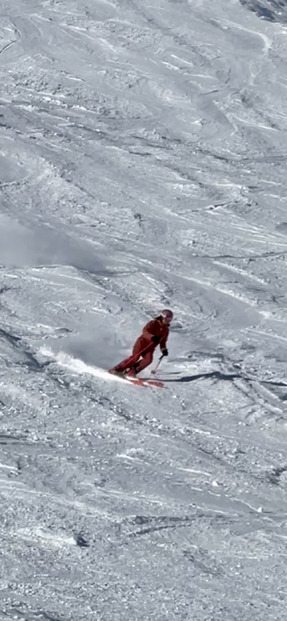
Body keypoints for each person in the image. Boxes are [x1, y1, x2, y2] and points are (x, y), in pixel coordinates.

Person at [110, 309, 173, 376]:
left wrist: (164, 350)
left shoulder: (166, 330)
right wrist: (152, 337)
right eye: (167, 319)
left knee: (148, 360)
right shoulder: (153, 323)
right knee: (135, 357)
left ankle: (132, 371)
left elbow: (163, 342)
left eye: (170, 319)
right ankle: (117, 369)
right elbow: (145, 332)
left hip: (150, 347)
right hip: (141, 343)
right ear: (162, 317)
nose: (168, 321)